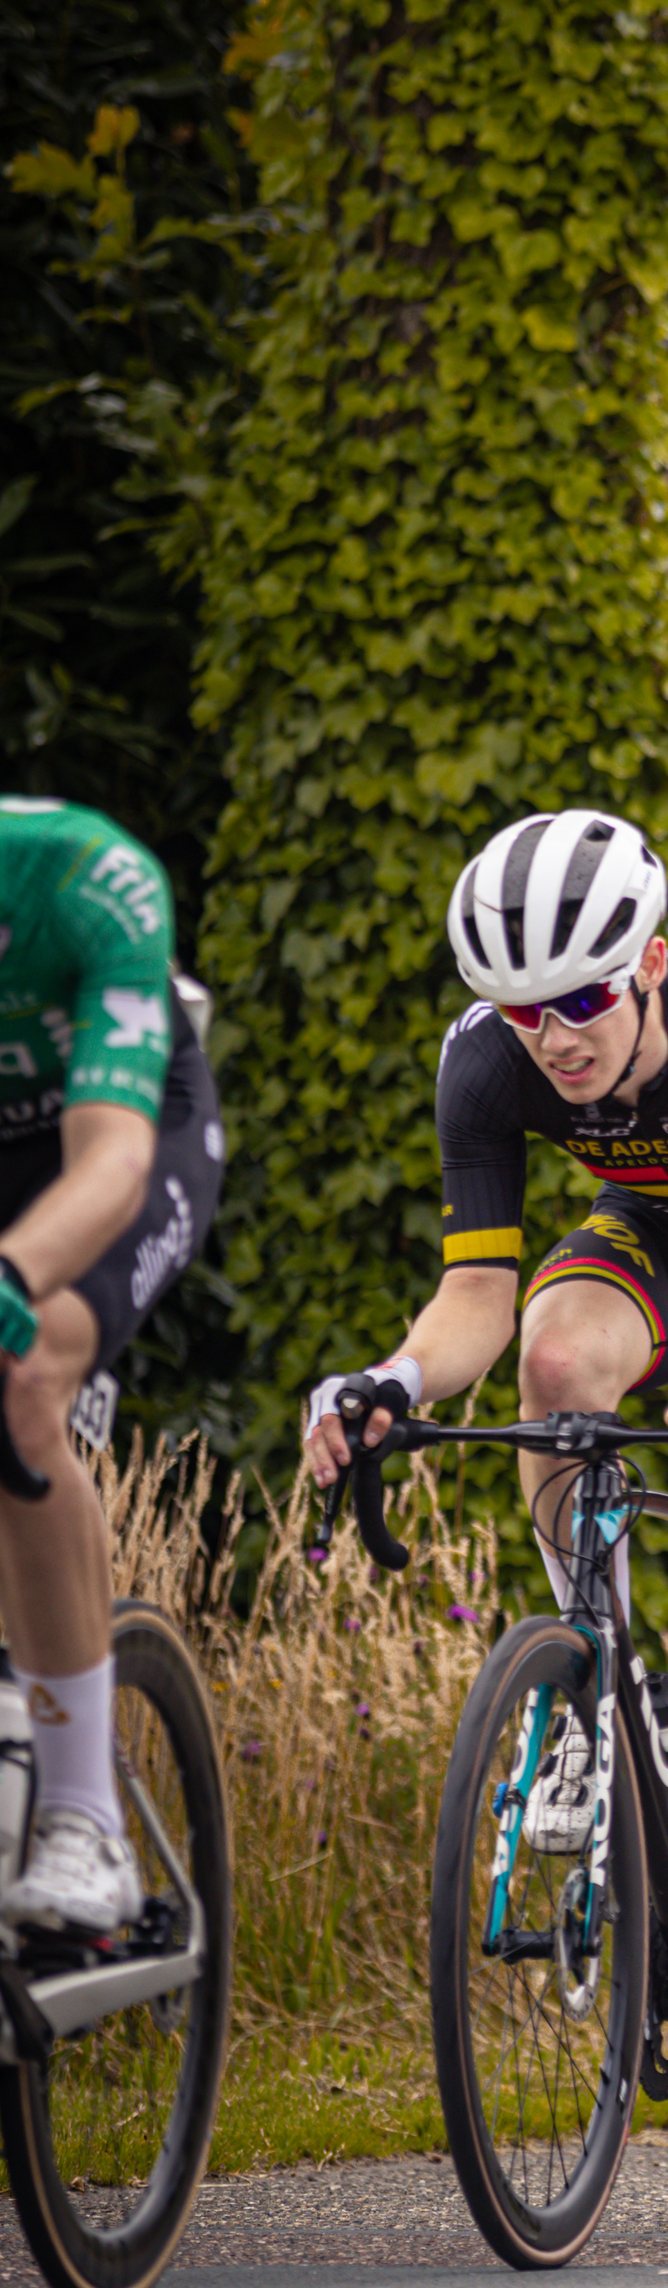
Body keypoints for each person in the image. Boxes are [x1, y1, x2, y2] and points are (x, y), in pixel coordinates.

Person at [304, 811, 668, 2154]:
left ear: (649, 964)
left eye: (582, 996)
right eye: (523, 1010)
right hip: (661, 1247)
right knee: (557, 1358)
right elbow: (475, 1299)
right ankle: (605, 1681)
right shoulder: (491, 1060)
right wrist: (394, 1379)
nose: (555, 1035)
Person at [0, 797, 225, 1934]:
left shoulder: (83, 877)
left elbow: (110, 1166)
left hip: (117, 1137)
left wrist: (10, 1275)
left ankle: (84, 1818)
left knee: (25, 1374)